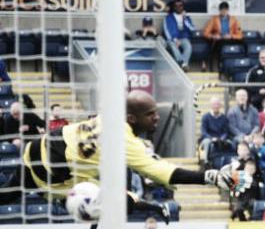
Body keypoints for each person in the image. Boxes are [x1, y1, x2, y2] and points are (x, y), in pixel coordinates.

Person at [0, 91, 245, 221]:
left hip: (42, 148)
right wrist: (209, 177)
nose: (157, 118)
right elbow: (162, 172)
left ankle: (134, 209)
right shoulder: (124, 139)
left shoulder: (111, 120)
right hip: (53, 170)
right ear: (131, 118)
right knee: (116, 201)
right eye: (151, 114)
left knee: (7, 195)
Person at [203, 1, 243, 70]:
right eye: (222, 10)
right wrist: (214, 36)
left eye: (225, 10)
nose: (224, 11)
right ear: (219, 10)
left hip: (230, 39)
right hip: (219, 40)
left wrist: (231, 36)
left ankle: (242, 64)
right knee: (219, 46)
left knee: (244, 43)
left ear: (228, 10)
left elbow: (240, 34)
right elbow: (205, 33)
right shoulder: (214, 19)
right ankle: (220, 66)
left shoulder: (233, 19)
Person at [163, 0, 196, 71]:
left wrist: (185, 19)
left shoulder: (186, 17)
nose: (178, 7)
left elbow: (192, 29)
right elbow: (167, 31)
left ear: (183, 7)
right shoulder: (168, 17)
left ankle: (182, 65)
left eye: (180, 5)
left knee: (188, 46)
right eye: (176, 6)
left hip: (183, 38)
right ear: (173, 7)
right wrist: (175, 39)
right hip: (172, 39)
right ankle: (183, 65)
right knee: (173, 47)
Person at [199, 97, 231, 163]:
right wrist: (211, 138)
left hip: (220, 139)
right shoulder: (205, 117)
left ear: (220, 106)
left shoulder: (224, 118)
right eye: (214, 104)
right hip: (208, 138)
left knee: (229, 143)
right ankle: (206, 162)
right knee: (207, 142)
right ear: (210, 105)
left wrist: (221, 138)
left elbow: (226, 132)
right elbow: (203, 131)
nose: (216, 106)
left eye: (217, 104)